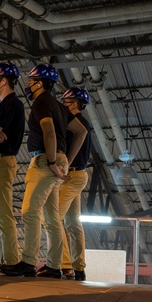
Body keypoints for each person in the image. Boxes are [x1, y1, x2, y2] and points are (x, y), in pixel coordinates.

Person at [1, 65, 87, 278]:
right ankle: (54, 265)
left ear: (40, 83)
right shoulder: (59, 105)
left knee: (30, 212)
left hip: (43, 161)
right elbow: (81, 131)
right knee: (51, 217)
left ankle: (29, 262)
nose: (28, 85)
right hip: (59, 159)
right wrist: (66, 158)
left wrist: (50, 161)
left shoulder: (41, 103)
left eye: (31, 81)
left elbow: (48, 131)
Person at [0, 62, 25, 271]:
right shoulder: (8, 105)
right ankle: (6, 260)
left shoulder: (10, 104)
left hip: (1, 161)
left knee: (2, 213)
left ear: (3, 80)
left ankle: (10, 261)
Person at [58, 87, 93, 280]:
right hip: (79, 175)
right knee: (73, 222)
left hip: (70, 176)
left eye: (67, 101)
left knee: (54, 218)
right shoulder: (84, 123)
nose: (64, 105)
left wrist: (65, 166)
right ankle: (79, 266)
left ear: (76, 103)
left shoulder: (75, 124)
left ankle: (64, 265)